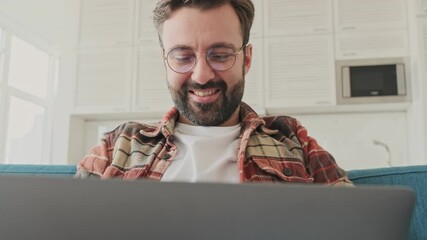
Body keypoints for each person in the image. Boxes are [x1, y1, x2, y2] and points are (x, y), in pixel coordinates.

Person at [76, 0, 352, 186]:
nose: (201, 75)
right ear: (165, 61)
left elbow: (355, 221)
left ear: (246, 59)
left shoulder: (292, 139)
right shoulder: (118, 146)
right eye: (183, 57)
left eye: (220, 55)